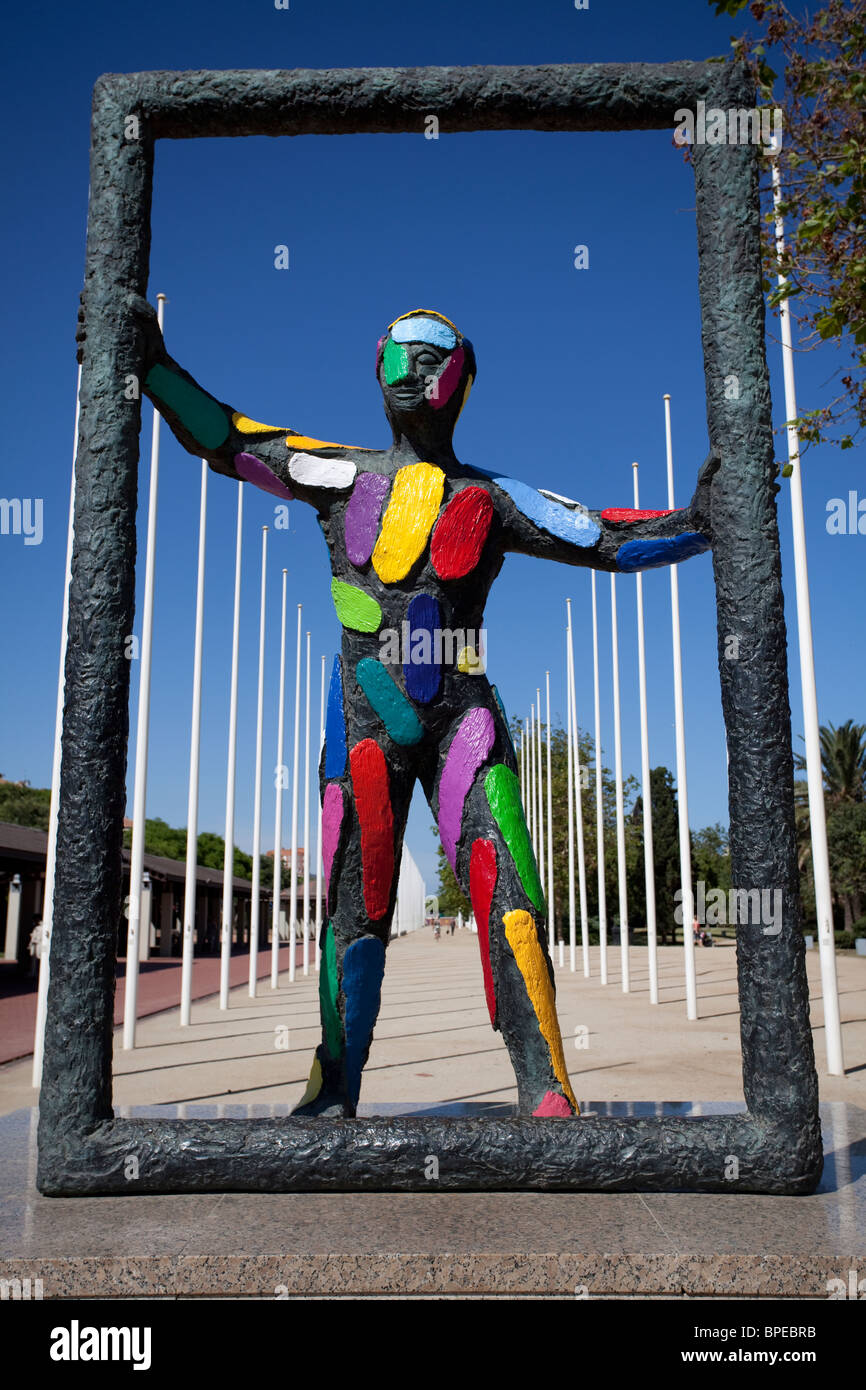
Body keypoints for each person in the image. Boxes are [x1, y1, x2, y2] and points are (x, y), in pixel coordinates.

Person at [133, 298, 717, 1119]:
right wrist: (154, 368)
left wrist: (698, 525)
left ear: (465, 380)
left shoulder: (492, 498)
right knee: (353, 904)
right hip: (364, 721)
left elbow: (600, 537)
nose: (414, 371)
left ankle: (546, 1082)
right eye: (398, 356)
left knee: (510, 892)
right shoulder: (340, 473)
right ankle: (335, 1084)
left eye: (435, 357)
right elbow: (227, 438)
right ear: (376, 369)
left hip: (462, 720)